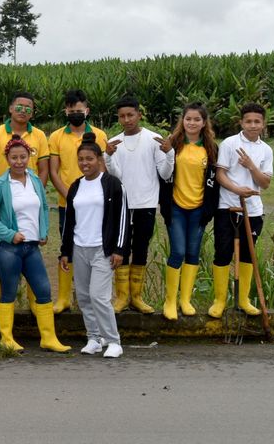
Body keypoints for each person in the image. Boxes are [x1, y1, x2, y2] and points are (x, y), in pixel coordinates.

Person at [0, 135, 70, 353]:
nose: (19, 161)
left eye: (23, 157)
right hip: (8, 248)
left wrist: (43, 231)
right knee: (9, 292)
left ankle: (48, 338)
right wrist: (9, 234)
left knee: (43, 290)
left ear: (29, 157)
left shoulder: (34, 180)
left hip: (32, 247)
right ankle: (6, 339)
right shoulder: (1, 184)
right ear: (7, 158)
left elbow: (43, 208)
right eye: (14, 157)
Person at [60, 132, 128, 358]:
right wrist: (65, 251)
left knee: (99, 296)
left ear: (99, 159)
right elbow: (69, 220)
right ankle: (94, 338)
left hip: (103, 249)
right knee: (84, 297)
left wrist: (119, 249)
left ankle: (113, 341)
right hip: (80, 248)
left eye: (89, 159)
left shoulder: (112, 184)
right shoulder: (75, 186)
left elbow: (122, 219)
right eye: (81, 159)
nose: (84, 163)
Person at [104, 96, 174, 313]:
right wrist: (108, 157)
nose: (127, 120)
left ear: (139, 115)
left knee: (141, 248)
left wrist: (169, 153)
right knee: (121, 248)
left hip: (146, 203)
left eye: (130, 115)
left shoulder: (153, 140)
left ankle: (137, 296)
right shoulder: (114, 142)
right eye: (122, 116)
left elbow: (165, 174)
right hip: (122, 205)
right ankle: (122, 297)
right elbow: (116, 176)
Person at [208, 103, 274, 318]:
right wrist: (237, 190)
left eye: (257, 121)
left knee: (247, 254)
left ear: (263, 124)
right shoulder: (230, 143)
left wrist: (251, 166)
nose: (252, 125)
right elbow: (220, 175)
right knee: (223, 252)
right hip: (227, 207)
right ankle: (219, 300)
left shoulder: (266, 150)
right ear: (241, 122)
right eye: (248, 121)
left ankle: (244, 300)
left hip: (253, 210)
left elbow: (265, 183)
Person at [48, 89, 108, 313]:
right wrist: (70, 196)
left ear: (87, 111)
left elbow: (103, 168)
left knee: (94, 246)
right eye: (71, 110)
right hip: (67, 203)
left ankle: (92, 294)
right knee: (68, 246)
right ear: (66, 111)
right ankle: (64, 297)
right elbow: (54, 171)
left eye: (79, 110)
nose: (75, 113)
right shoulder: (56, 137)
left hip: (95, 205)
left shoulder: (100, 135)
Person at [161, 103, 219, 320]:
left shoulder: (211, 148)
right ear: (182, 120)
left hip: (199, 209)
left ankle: (185, 300)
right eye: (188, 119)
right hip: (176, 207)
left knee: (193, 253)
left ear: (204, 123)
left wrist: (208, 209)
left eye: (197, 119)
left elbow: (214, 182)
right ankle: (170, 301)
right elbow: (163, 173)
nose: (192, 123)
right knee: (178, 252)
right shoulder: (173, 143)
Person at [0, 91, 49, 184]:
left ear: (32, 113)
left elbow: (44, 170)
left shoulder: (40, 135)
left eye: (28, 109)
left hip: (31, 190)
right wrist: (0, 190)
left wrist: (38, 190)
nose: (23, 111)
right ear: (11, 108)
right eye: (19, 107)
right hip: (3, 188)